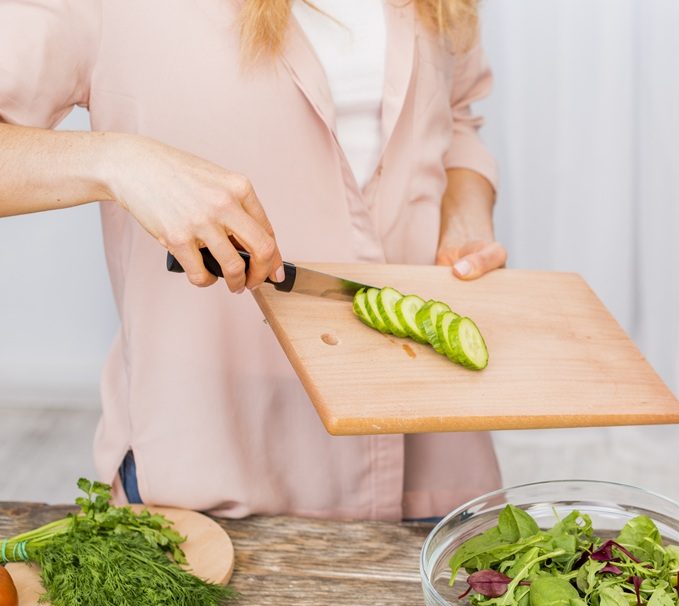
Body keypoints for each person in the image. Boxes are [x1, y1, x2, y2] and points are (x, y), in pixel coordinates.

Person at [0, 0, 506, 520]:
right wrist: (117, 161)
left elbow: (459, 116)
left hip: (437, 459)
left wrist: (466, 212)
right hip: (215, 477)